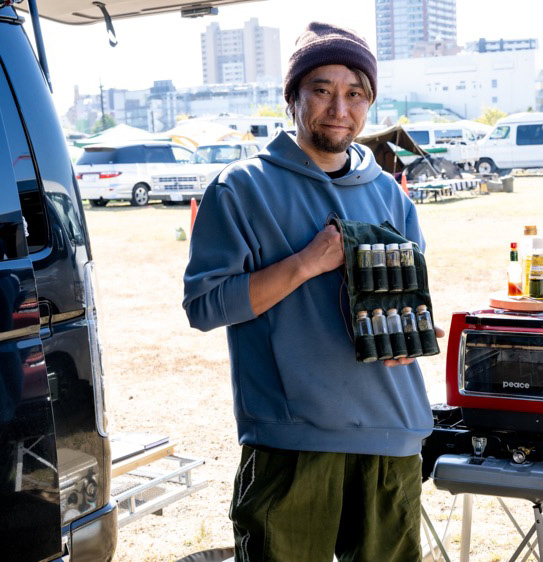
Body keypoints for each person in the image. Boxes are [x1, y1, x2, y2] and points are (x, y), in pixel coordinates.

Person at [183, 22, 441, 562]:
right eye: (322, 90)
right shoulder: (242, 188)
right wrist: (304, 264)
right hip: (292, 441)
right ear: (293, 97)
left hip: (392, 433)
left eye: (356, 94)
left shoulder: (389, 195)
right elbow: (205, 306)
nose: (339, 109)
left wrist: (409, 331)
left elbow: (403, 293)